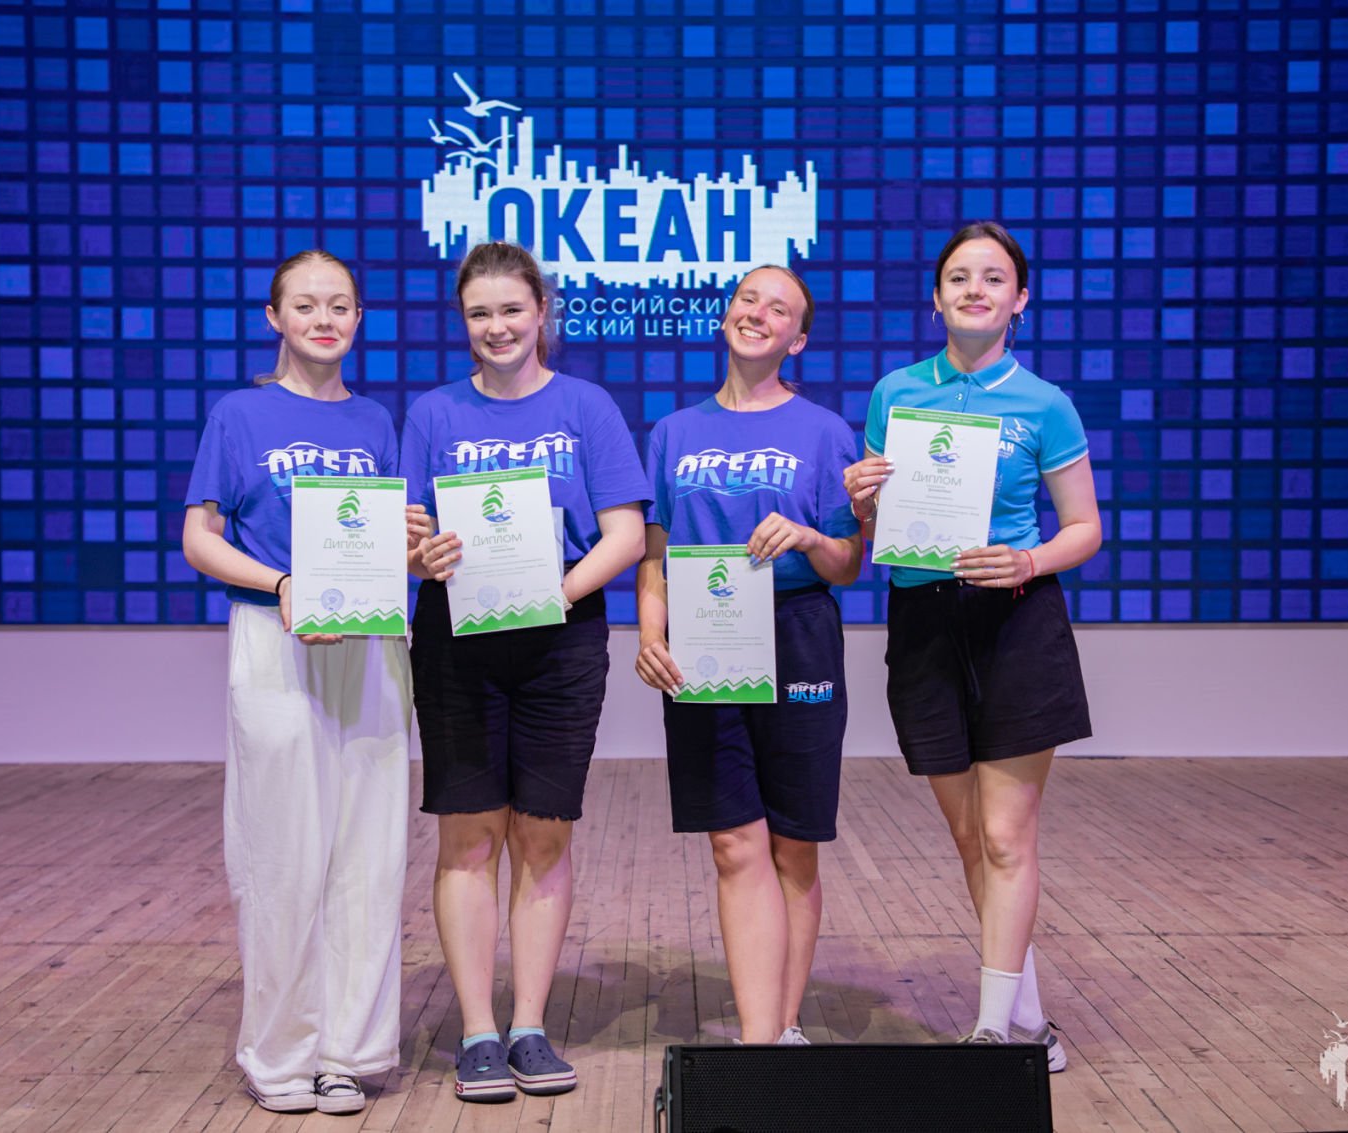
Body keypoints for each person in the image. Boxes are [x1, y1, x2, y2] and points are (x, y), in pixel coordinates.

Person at [844, 222, 1100, 1070]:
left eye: (993, 278)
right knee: (969, 837)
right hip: (923, 625)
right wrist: (861, 497)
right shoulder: (894, 392)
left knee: (1005, 836)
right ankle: (1029, 1019)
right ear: (936, 298)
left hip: (1017, 622)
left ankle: (993, 1030)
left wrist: (1027, 559)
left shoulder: (1045, 404)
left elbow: (1085, 528)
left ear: (1019, 299)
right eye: (959, 277)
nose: (975, 290)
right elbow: (876, 530)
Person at [181, 250, 431, 1114]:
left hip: (370, 642)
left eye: (340, 305)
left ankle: (349, 1050)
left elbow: (381, 545)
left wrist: (414, 542)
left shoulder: (375, 420)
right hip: (276, 638)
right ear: (274, 317)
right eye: (307, 305)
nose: (325, 319)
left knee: (369, 852)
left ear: (359, 318)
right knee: (282, 851)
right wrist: (283, 584)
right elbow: (200, 537)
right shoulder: (239, 414)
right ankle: (280, 1051)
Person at [403, 240, 648, 1102]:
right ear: (463, 321)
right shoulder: (432, 413)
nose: (497, 326)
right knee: (468, 836)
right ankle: (478, 1030)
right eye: (480, 313)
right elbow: (412, 530)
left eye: (512, 309)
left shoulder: (587, 407)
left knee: (543, 836)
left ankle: (531, 1026)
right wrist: (421, 553)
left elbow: (625, 533)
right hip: (457, 637)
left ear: (541, 312)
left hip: (561, 639)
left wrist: (554, 595)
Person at [635, 265, 862, 1046]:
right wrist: (651, 633)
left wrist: (808, 536)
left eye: (779, 308)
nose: (758, 313)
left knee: (793, 846)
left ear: (797, 339)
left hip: (798, 632)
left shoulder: (826, 432)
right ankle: (758, 1039)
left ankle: (781, 1028)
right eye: (747, 299)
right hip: (705, 639)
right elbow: (656, 554)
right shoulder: (673, 433)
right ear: (725, 315)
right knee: (734, 842)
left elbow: (847, 564)